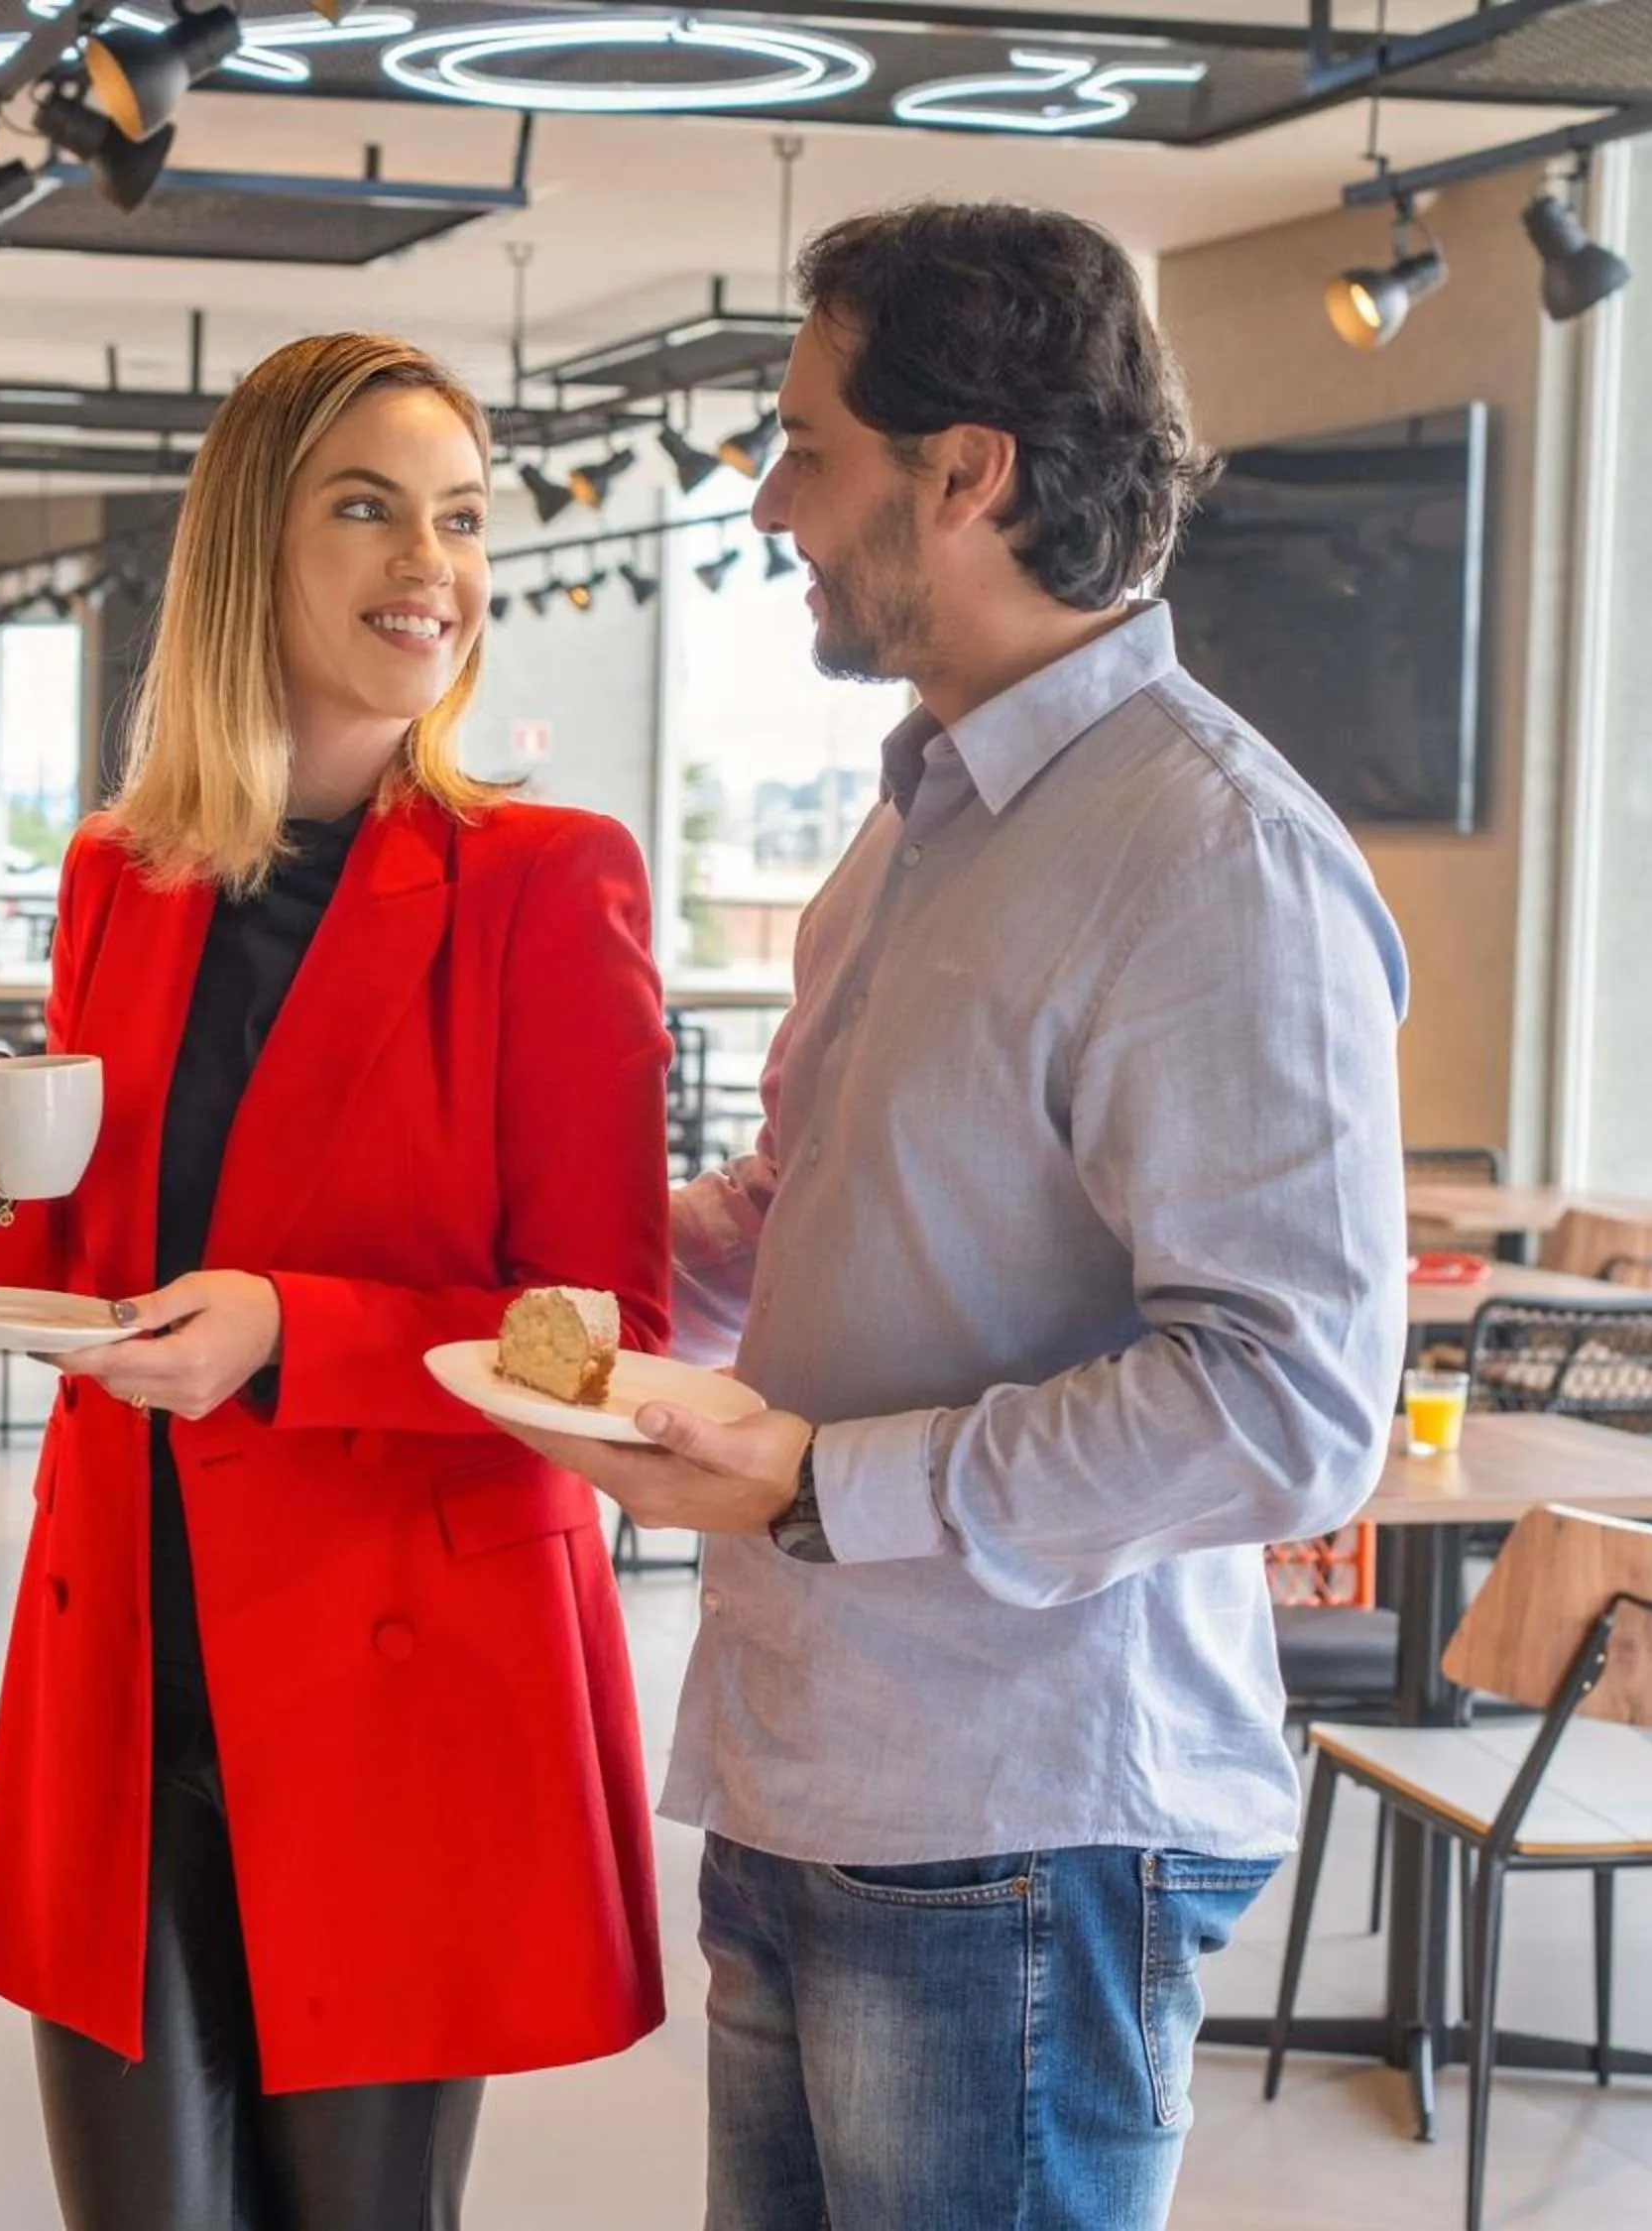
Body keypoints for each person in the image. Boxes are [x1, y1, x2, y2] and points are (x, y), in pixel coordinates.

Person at [505, 204, 1409, 2228]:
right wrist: (536, 1278)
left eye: (805, 446)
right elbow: (804, 1216)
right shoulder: (916, 825)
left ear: (967, 471)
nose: (768, 503)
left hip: (1025, 1826)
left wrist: (826, 1483)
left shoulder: (1214, 855)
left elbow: (1288, 1409)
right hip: (808, 1762)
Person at [0, 330, 670, 2231]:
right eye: (369, 508)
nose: (431, 564)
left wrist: (285, 1332)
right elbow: (111, 1275)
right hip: (128, 1656)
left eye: (461, 519)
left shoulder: (545, 881)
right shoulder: (124, 874)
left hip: (390, 1677)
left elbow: (604, 1337)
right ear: (254, 543)